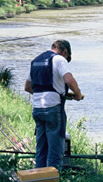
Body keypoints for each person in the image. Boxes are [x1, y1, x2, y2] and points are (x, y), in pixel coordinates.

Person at [24, 40, 82, 170]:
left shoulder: (36, 61)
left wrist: (44, 93)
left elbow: (27, 87)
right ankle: (53, 180)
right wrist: (77, 94)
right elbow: (69, 80)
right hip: (53, 109)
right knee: (55, 153)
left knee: (41, 151)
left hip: (37, 109)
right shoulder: (59, 59)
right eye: (67, 57)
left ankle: (39, 180)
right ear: (65, 52)